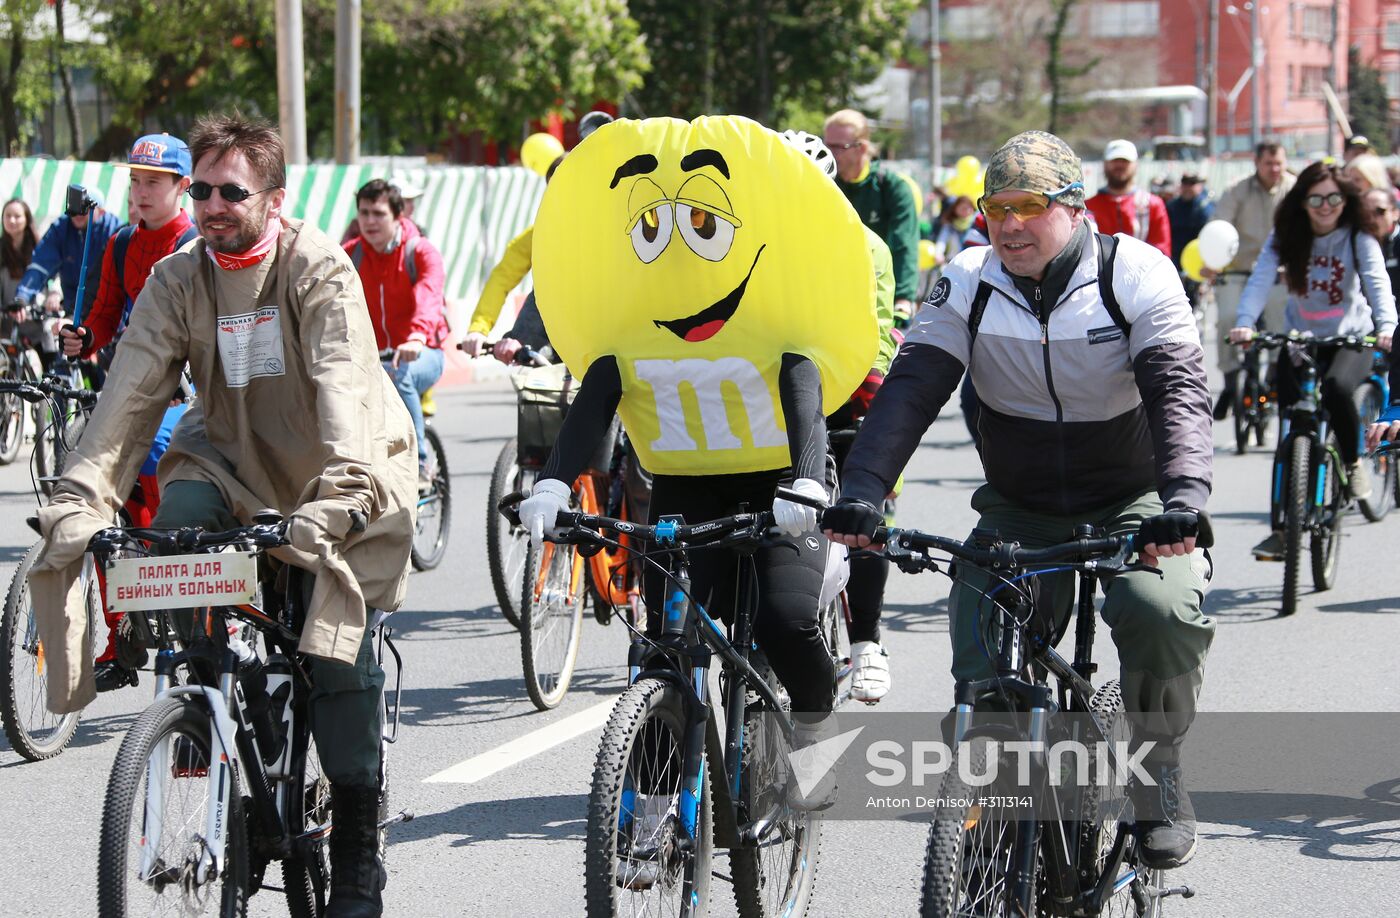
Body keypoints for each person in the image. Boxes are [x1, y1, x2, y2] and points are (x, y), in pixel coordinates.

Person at [30, 114, 416, 918]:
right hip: (227, 457)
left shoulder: (319, 267)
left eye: (229, 191)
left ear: (274, 199)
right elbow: (127, 399)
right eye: (199, 189)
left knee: (337, 651)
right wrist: (80, 495)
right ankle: (205, 718)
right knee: (170, 537)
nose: (209, 204)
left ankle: (354, 848)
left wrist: (342, 496)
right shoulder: (177, 277)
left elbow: (345, 385)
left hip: (334, 464)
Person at [823, 129, 1216, 870]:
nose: (1008, 225)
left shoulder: (1135, 272)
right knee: (985, 645)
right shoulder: (966, 280)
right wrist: (865, 495)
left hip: (1135, 503)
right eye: (995, 207)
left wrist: (1184, 499)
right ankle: (997, 805)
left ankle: (1159, 772)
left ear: (1075, 209)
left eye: (1028, 206)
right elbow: (909, 390)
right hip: (1019, 506)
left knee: (1161, 609)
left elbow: (1178, 392)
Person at [780, 129, 899, 702]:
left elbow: (875, 336)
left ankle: (867, 641)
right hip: (769, 401)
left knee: (864, 509)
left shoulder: (867, 247)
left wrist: (863, 403)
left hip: (845, 393)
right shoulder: (747, 243)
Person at [1228, 162, 1396, 558]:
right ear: (1302, 201)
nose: (1325, 206)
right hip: (1300, 338)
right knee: (1292, 424)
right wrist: (1245, 323)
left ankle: (1353, 463)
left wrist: (1387, 326)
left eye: (1334, 198)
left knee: (1338, 389)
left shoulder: (1358, 238)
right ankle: (1283, 529)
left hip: (1349, 338)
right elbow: (1259, 280)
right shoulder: (1286, 236)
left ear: (1346, 200)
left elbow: (1376, 282)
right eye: (1315, 198)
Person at [461, 114, 616, 358]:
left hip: (608, 327)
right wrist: (479, 330)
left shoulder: (616, 223)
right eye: (555, 191)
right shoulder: (539, 234)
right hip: (554, 324)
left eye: (571, 188)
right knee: (545, 293)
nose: (565, 199)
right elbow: (502, 278)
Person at [60, 134, 198, 366]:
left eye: (153, 181)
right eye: (135, 180)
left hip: (192, 380)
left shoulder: (199, 244)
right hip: (137, 366)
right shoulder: (120, 243)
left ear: (183, 186)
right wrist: (84, 338)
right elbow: (106, 313)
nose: (141, 192)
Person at [345, 178, 449, 485]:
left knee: (401, 373)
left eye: (378, 214)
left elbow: (429, 297)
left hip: (423, 351)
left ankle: (419, 465)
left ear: (398, 215)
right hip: (372, 358)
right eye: (364, 213)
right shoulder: (350, 255)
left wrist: (416, 337)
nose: (370, 221)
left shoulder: (420, 252)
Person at [1206, 141, 1296, 417]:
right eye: (1269, 163)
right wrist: (1212, 261)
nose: (1275, 169)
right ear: (1257, 163)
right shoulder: (1237, 191)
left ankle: (1273, 379)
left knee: (1284, 327)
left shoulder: (1294, 190)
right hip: (1238, 270)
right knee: (1228, 319)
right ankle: (1232, 382)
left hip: (1279, 273)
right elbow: (1218, 225)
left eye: (1279, 163)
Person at [823, 108, 920, 325]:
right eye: (826, 144)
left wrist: (903, 299)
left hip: (879, 296)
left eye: (838, 147)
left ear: (862, 148)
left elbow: (904, 244)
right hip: (831, 297)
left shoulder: (893, 188)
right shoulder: (823, 185)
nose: (829, 153)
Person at [14, 185, 121, 316]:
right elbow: (41, 264)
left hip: (107, 314)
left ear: (101, 210)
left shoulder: (114, 230)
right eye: (73, 209)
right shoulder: (61, 228)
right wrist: (22, 296)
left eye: (84, 209)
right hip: (71, 311)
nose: (77, 214)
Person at [1085, 139, 1172, 258]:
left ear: (1136, 165)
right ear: (1105, 164)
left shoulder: (1152, 204)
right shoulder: (1088, 207)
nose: (1119, 165)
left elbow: (1162, 251)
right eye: (1115, 160)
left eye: (1125, 161)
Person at [1165, 174, 1214, 311]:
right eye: (1185, 184)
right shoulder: (1172, 207)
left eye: (1192, 184)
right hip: (1175, 258)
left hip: (1197, 260)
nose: (1188, 188)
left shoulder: (1205, 208)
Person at [1362, 187, 1400, 295]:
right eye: (1366, 213)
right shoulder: (1357, 243)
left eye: (1380, 211)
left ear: (1395, 213)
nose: (1372, 219)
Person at [1, 198, 37, 306]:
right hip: (5, 315)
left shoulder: (39, 249)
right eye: (8, 216)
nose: (12, 220)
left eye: (17, 216)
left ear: (27, 219)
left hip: (33, 315)